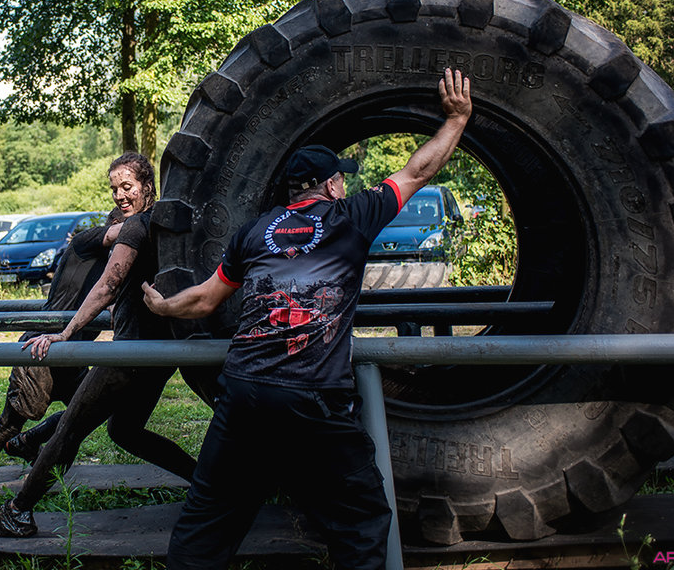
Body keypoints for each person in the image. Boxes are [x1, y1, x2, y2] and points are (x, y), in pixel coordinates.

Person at [141, 68, 472, 570]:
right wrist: (456, 120)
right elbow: (417, 171)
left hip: (245, 391)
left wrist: (163, 306)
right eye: (342, 178)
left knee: (207, 520)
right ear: (333, 185)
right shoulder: (352, 217)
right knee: (361, 519)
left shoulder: (254, 232)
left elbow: (205, 300)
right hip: (310, 394)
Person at [0, 151, 196, 538]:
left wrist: (65, 333)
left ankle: (18, 511)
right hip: (161, 354)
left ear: (147, 186)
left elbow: (108, 286)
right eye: (114, 189)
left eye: (127, 186)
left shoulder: (135, 228)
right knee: (124, 431)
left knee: (69, 429)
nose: (119, 195)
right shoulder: (166, 227)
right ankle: (206, 486)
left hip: (129, 354)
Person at [0, 207, 125, 491]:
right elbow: (120, 233)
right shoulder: (86, 242)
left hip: (74, 357)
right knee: (10, 423)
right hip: (42, 348)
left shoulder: (118, 266)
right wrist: (148, 222)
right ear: (112, 225)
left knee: (89, 413)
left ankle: (29, 443)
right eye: (129, 230)